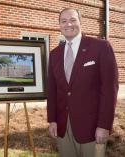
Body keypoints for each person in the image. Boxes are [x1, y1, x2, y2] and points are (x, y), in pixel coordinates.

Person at [47, 8, 118, 157]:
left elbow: (110, 90)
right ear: (59, 25)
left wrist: (104, 125)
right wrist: (52, 120)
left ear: (80, 22)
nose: (68, 24)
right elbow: (52, 90)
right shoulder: (54, 54)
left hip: (92, 128)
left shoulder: (101, 47)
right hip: (63, 126)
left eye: (73, 20)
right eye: (64, 21)